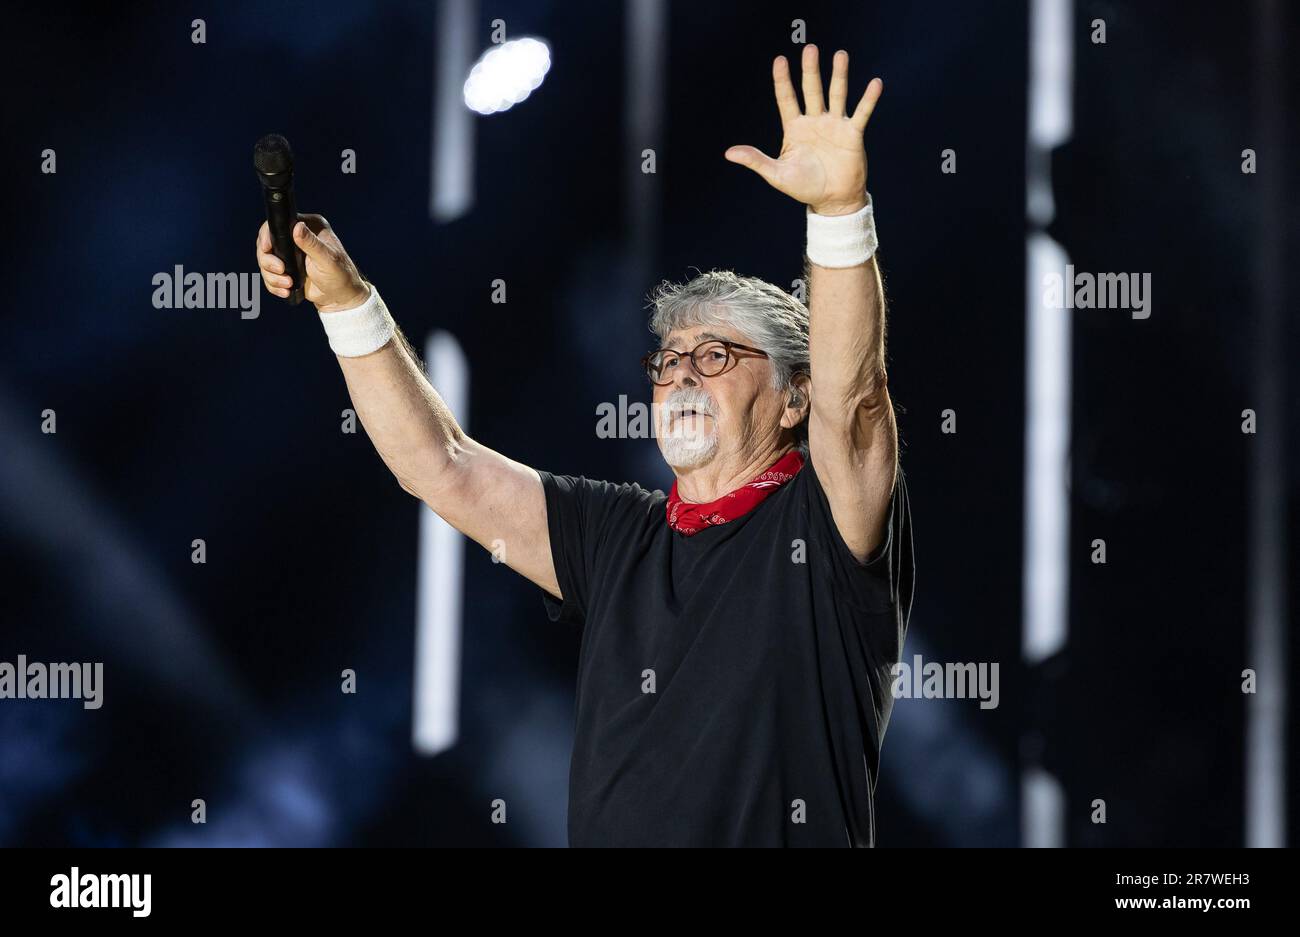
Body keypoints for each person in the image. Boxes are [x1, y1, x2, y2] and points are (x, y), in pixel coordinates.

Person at [256, 45, 914, 847]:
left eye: (715, 356)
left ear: (792, 397)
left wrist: (840, 214)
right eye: (667, 361)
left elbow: (854, 404)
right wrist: (348, 302)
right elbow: (443, 466)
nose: (680, 377)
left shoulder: (822, 525)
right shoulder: (617, 537)